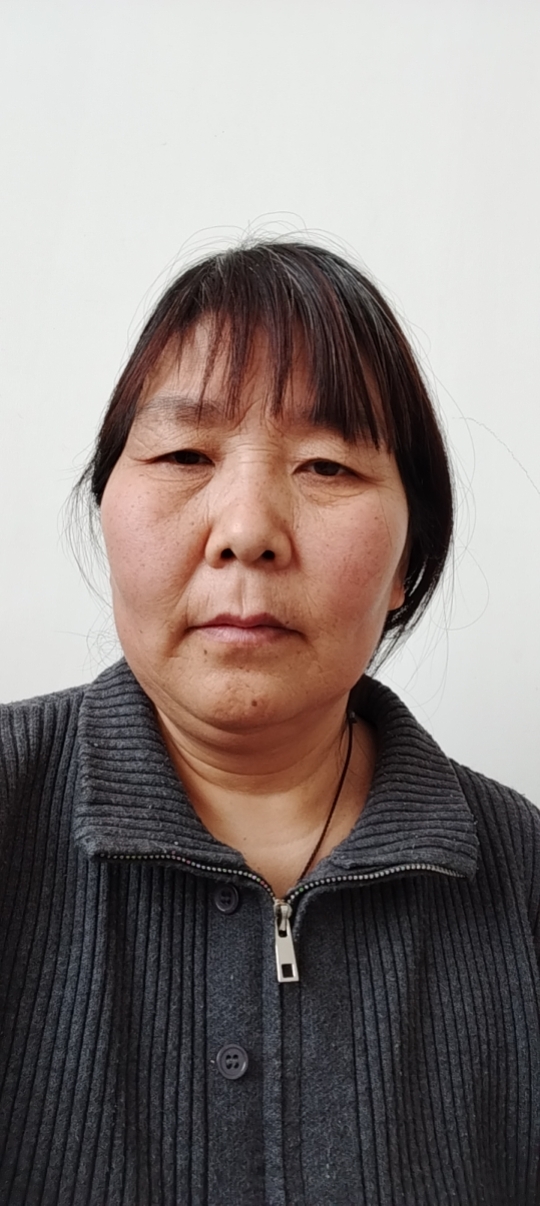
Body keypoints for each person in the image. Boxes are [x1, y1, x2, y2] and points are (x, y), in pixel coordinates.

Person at [0, 240, 538, 1206]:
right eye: (185, 455)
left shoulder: (524, 879)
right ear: (105, 507)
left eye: (326, 465)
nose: (247, 529)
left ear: (409, 560)